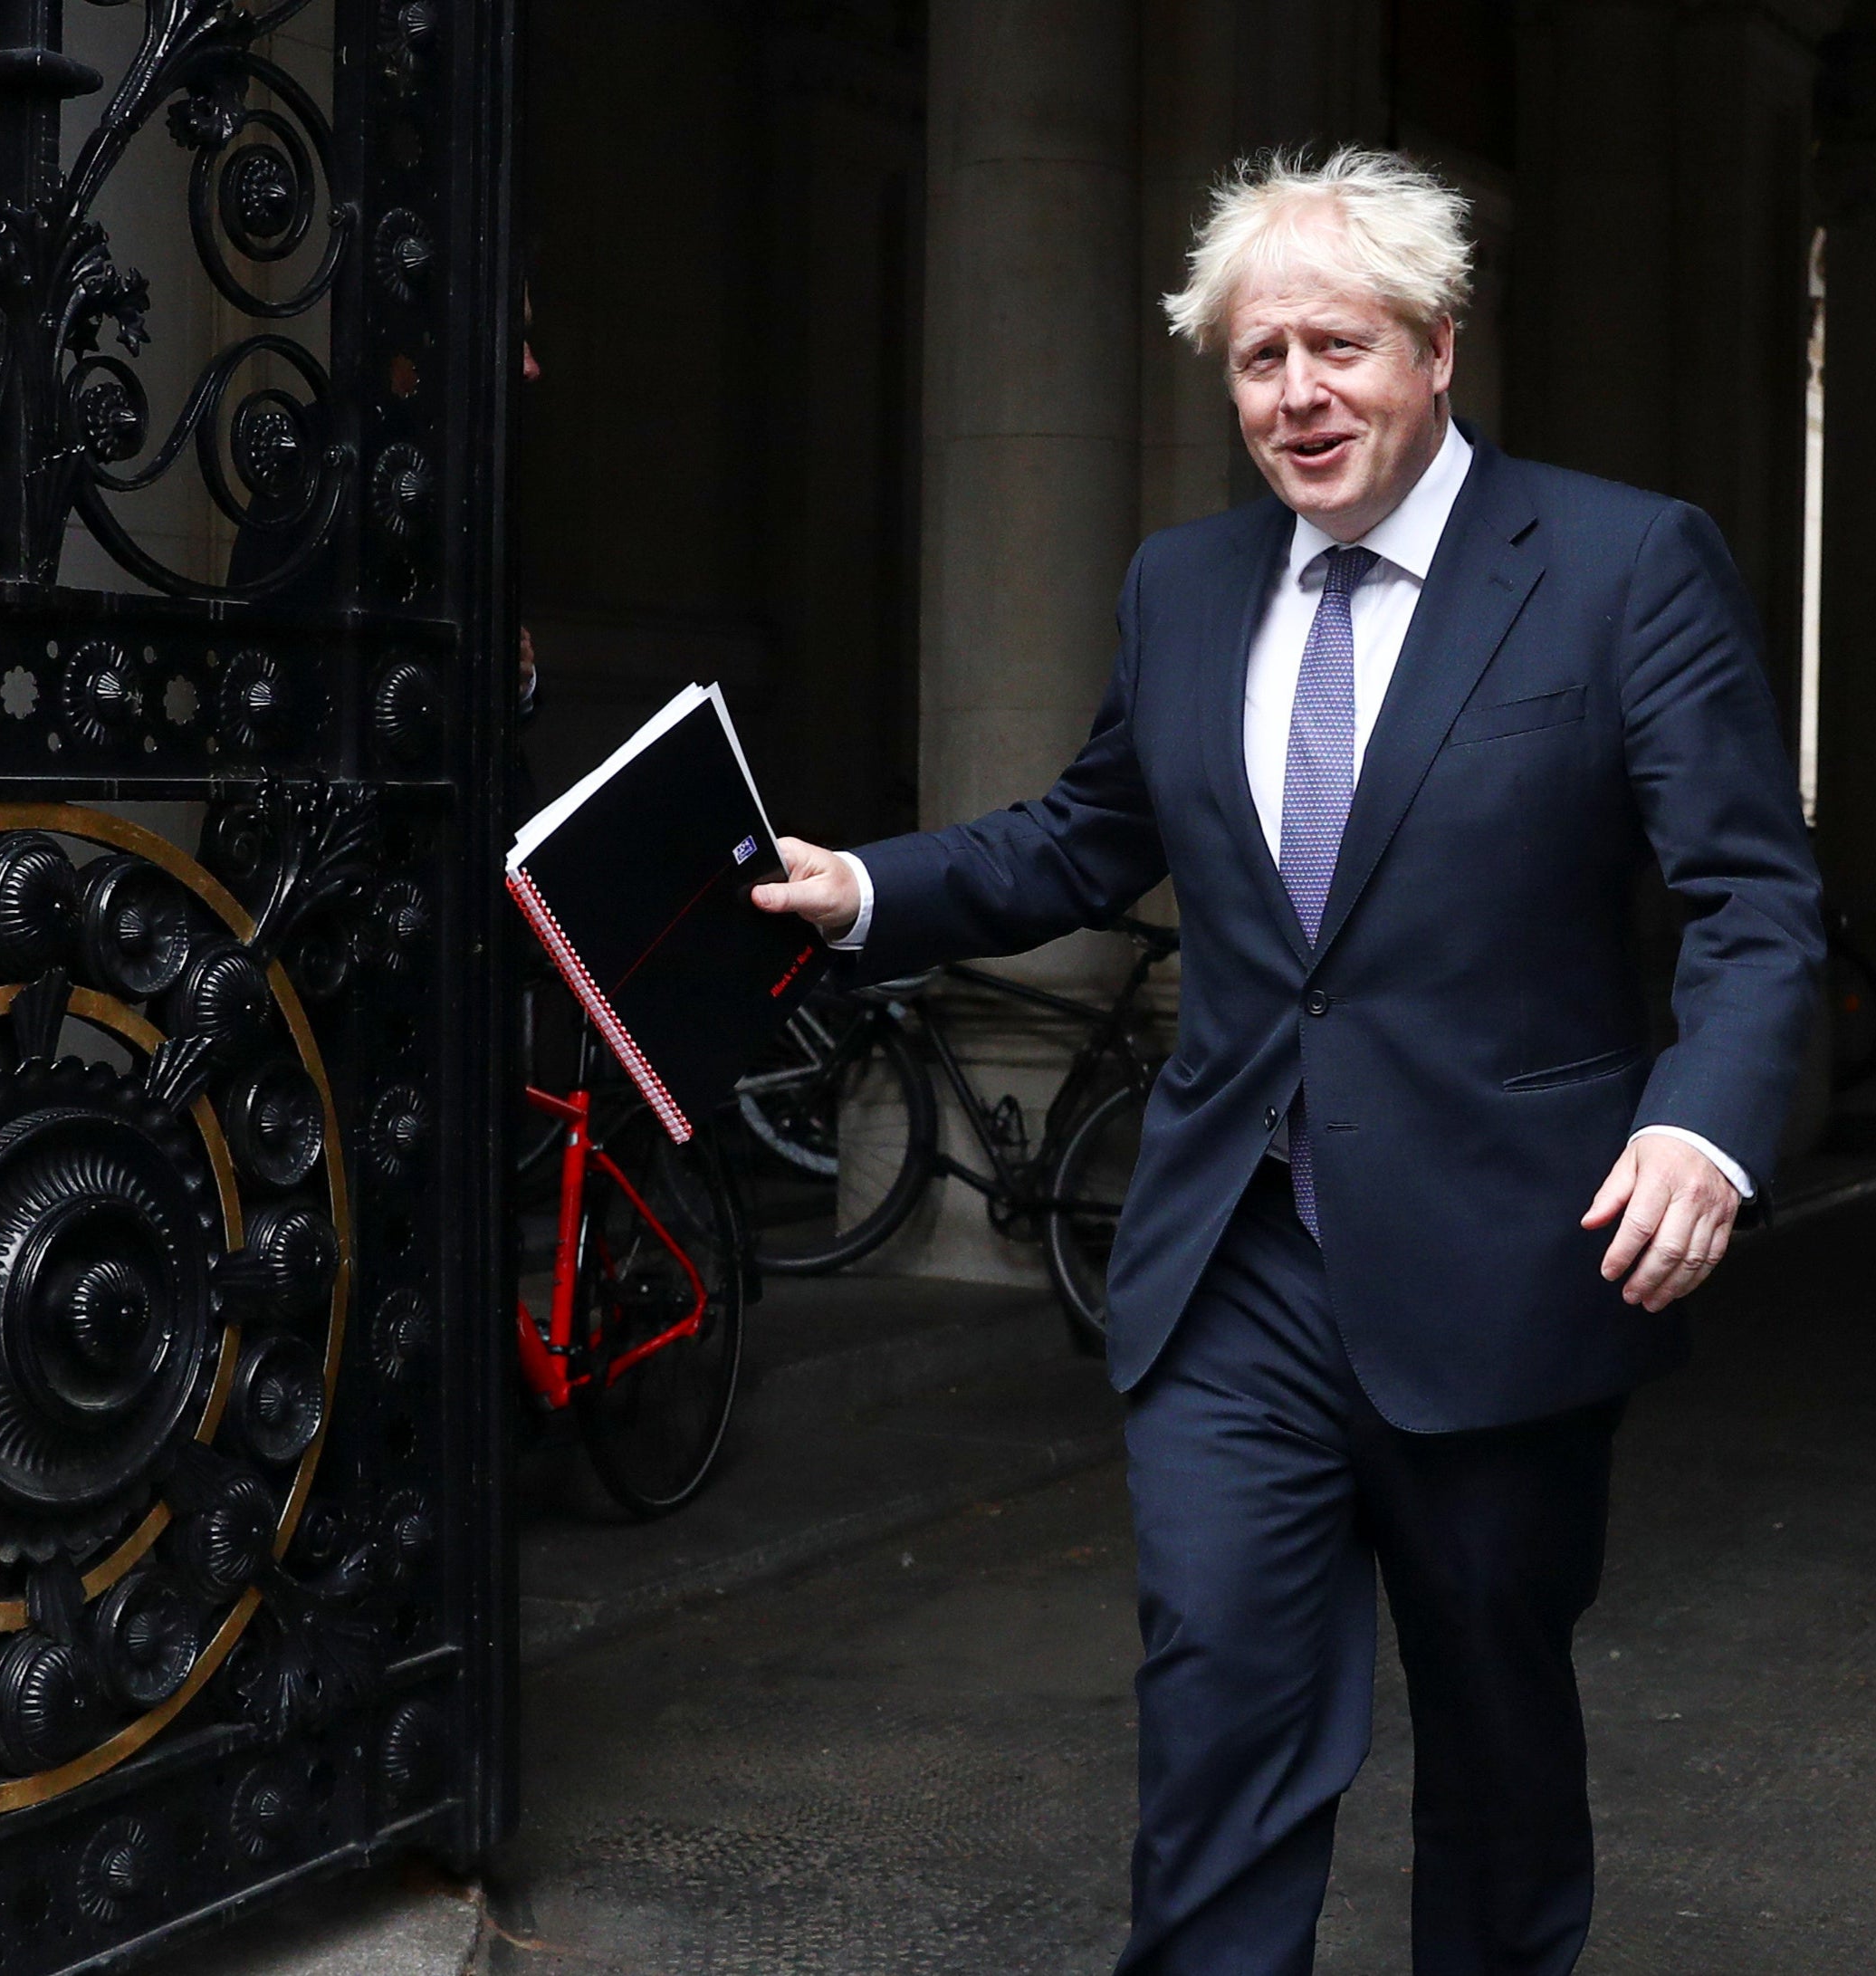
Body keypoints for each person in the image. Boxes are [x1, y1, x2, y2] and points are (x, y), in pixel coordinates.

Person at [753, 147, 1822, 1976]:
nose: (1300, 394)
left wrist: (1703, 1128)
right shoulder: (1184, 586)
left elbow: (1752, 896)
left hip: (1504, 1260)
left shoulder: (1625, 564)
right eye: (1260, 360)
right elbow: (1087, 836)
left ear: (1438, 349)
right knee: (1223, 1701)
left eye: (1341, 346)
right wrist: (872, 889)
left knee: (1494, 1726)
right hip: (1235, 1252)